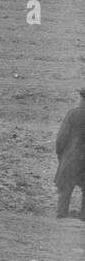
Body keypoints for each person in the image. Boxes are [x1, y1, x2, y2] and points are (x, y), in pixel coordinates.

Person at [55, 87, 85, 218]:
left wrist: (61, 155)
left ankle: (61, 216)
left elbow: (61, 139)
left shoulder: (72, 114)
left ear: (82, 98)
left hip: (72, 158)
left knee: (65, 187)